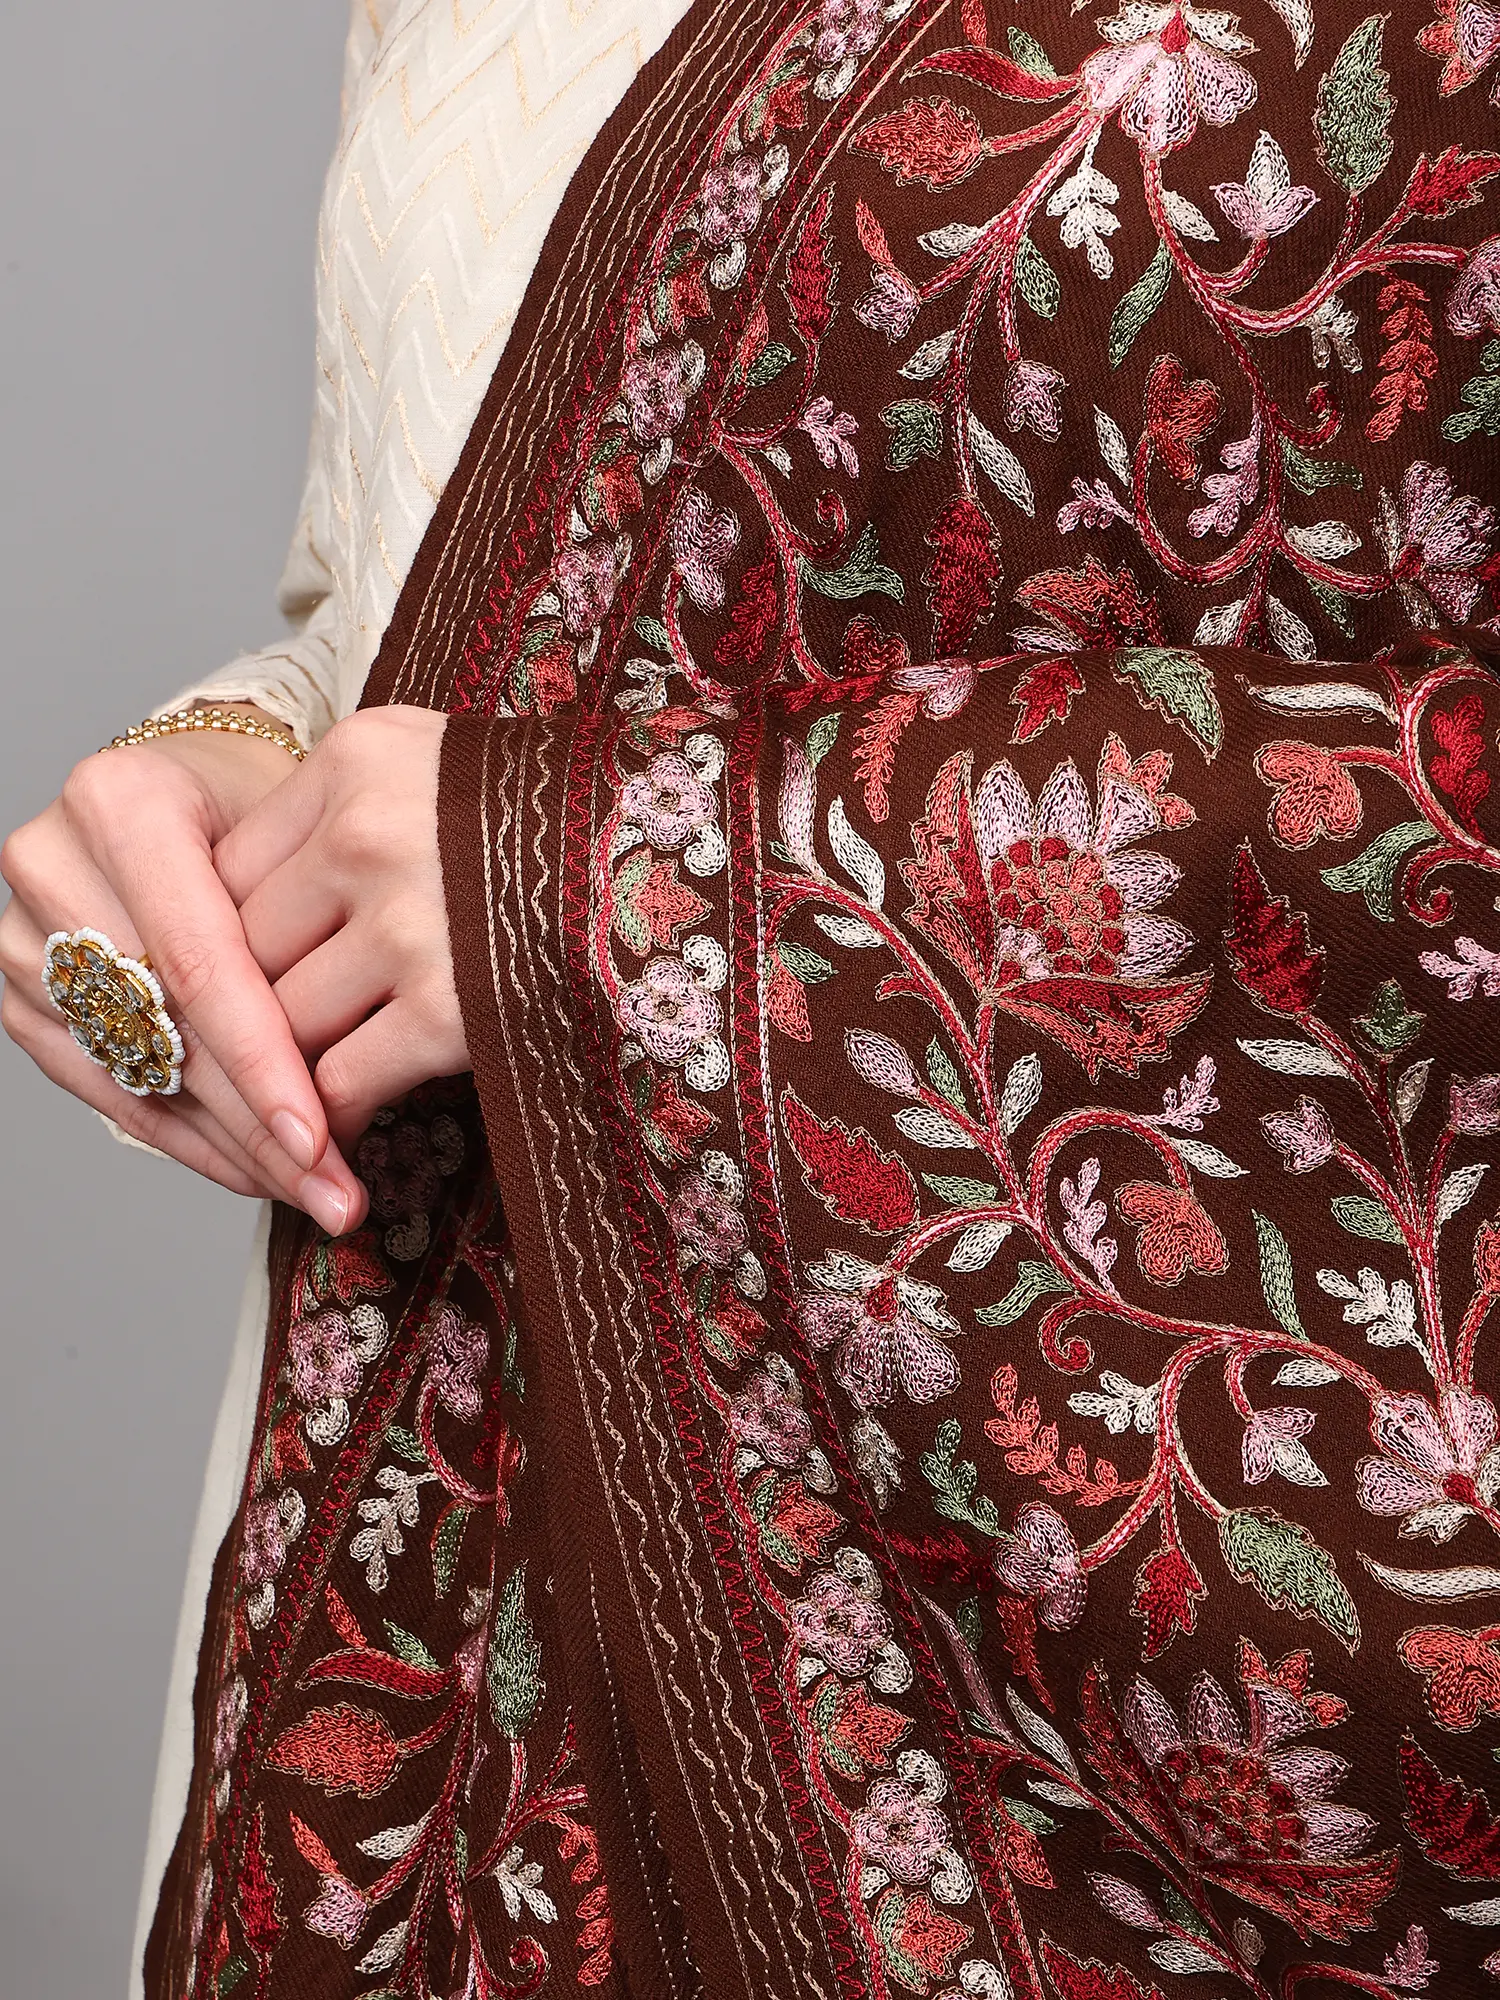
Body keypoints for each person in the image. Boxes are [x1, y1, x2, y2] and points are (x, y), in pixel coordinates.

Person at [7, 2, 1500, 1994]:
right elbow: (422, 571)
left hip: (1050, 1667)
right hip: (415, 1466)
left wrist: (594, 868)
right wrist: (230, 768)